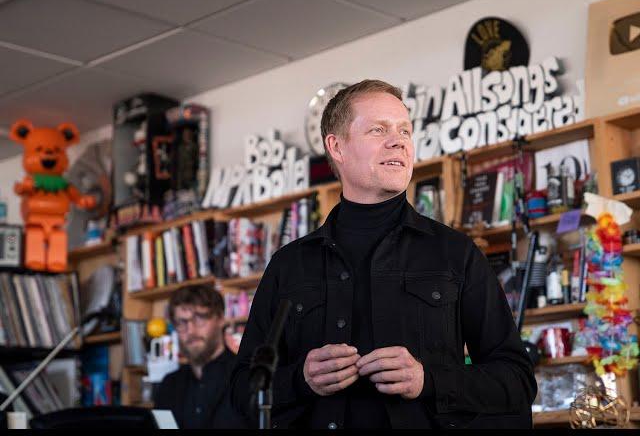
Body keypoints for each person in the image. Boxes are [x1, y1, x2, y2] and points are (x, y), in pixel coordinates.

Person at [230, 79, 537, 429]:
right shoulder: (289, 265)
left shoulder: (455, 254)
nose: (399, 141)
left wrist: (428, 380)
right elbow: (242, 390)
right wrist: (301, 380)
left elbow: (517, 379)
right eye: (379, 129)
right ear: (337, 147)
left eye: (405, 131)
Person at [155, 285, 247, 429]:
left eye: (200, 318)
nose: (190, 330)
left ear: (221, 319)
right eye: (182, 322)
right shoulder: (168, 386)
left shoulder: (247, 378)